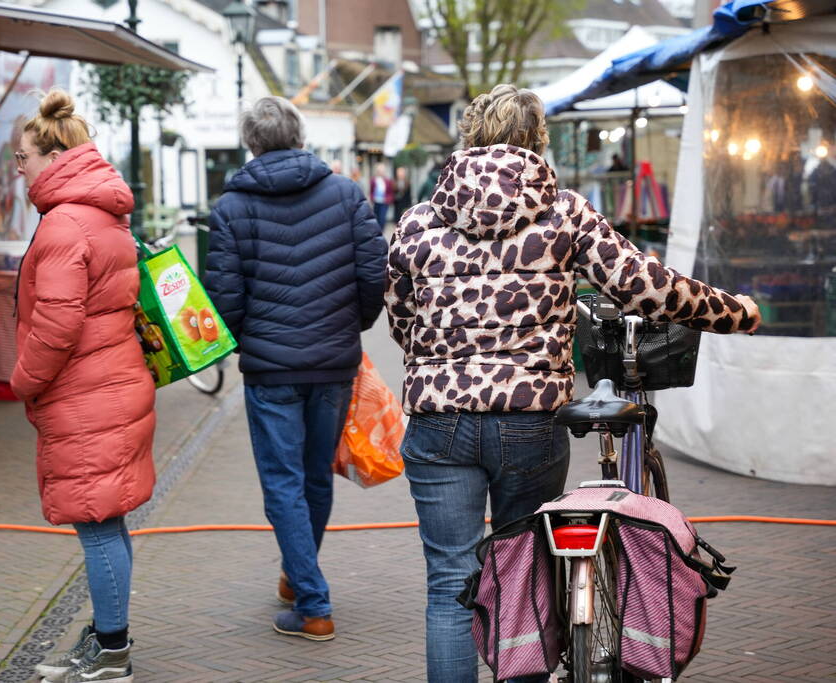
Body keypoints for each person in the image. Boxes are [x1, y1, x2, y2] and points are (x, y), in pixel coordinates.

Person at [385, 84, 761, 683]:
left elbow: (402, 323)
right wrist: (734, 311)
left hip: (440, 422)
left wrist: (442, 362)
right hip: (529, 421)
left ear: (469, 137)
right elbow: (644, 285)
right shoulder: (564, 212)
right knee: (523, 575)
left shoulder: (415, 224)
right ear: (538, 141)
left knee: (450, 584)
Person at [205, 96, 387, 642]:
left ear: (251, 143)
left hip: (271, 370)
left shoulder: (231, 208)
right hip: (332, 364)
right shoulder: (345, 193)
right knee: (314, 476)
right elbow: (373, 272)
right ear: (301, 136)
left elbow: (224, 295)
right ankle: (298, 574)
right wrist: (352, 325)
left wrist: (249, 339)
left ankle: (312, 604)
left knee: (283, 483)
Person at [11, 88, 155, 683]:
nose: (18, 168)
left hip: (85, 395)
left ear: (53, 157)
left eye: (22, 157)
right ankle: (107, 635)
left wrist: (23, 381)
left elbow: (57, 324)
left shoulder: (63, 224)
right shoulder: (101, 213)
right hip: (111, 383)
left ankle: (113, 651)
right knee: (107, 519)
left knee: (96, 524)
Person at [371, 162, 395, 227]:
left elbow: (390, 192)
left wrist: (388, 199)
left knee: (382, 218)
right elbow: (371, 190)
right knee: (376, 217)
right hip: (376, 201)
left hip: (384, 202)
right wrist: (372, 198)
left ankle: (381, 230)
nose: (380, 172)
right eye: (379, 170)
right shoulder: (373, 180)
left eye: (382, 171)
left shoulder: (387, 181)